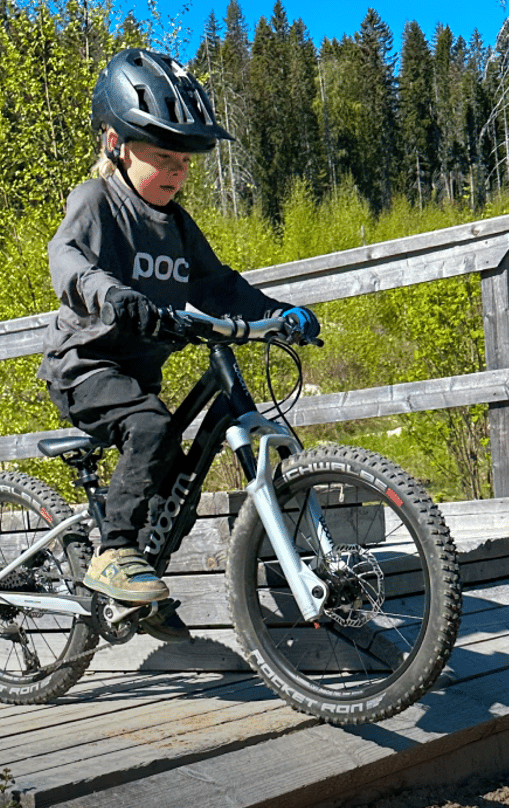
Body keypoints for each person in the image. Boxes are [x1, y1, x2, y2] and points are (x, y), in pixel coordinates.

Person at [37, 47, 320, 641]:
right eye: (163, 158)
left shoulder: (179, 226)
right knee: (155, 430)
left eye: (185, 164)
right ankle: (114, 553)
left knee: (181, 481)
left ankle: (143, 590)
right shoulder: (97, 202)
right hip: (86, 366)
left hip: (138, 376)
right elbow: (66, 259)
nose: (176, 173)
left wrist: (279, 314)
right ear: (116, 142)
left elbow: (218, 287)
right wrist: (110, 294)